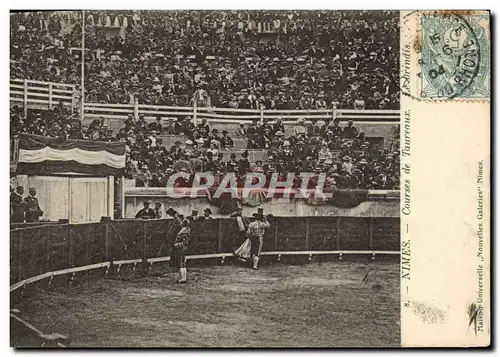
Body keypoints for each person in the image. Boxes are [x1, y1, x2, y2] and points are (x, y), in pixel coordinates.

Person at [172, 219, 191, 283]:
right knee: (183, 263)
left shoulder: (184, 231)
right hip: (183, 248)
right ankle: (184, 278)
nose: (180, 223)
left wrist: (176, 245)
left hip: (180, 249)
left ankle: (182, 278)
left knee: (180, 263)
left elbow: (185, 242)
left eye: (182, 222)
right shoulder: (186, 230)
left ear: (183, 224)